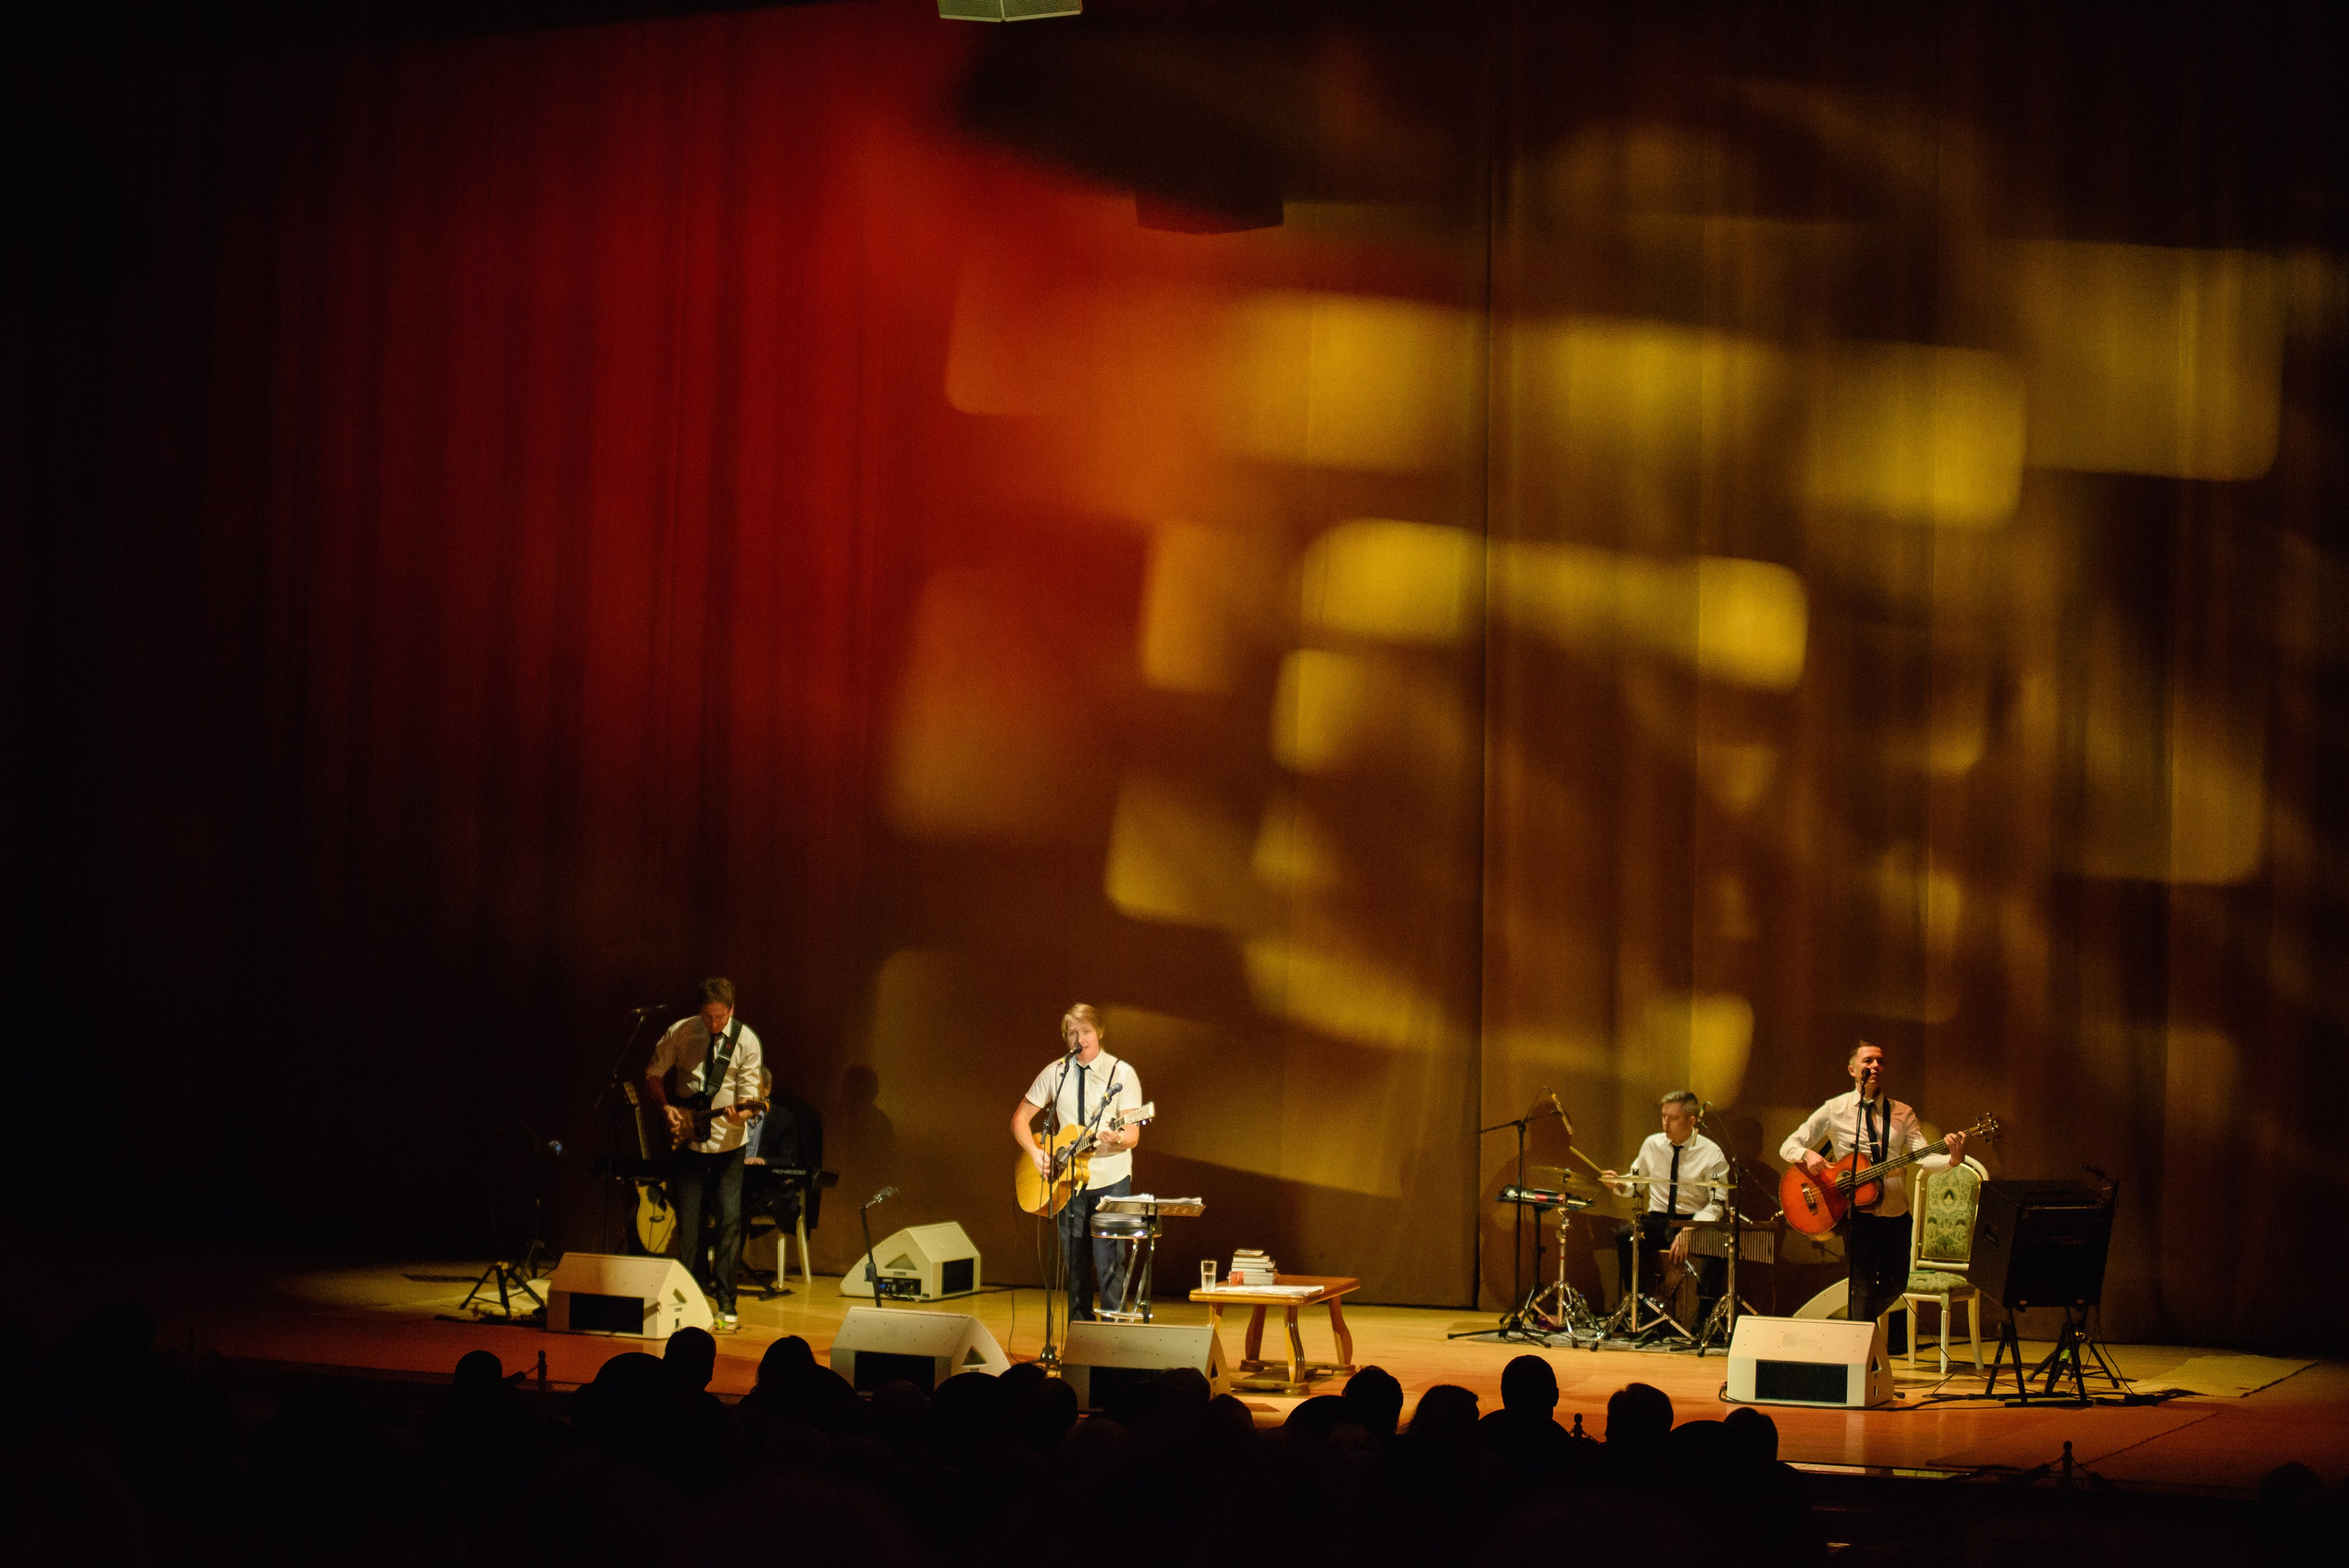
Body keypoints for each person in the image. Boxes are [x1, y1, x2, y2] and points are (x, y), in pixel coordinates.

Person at [1778, 1040, 1965, 1331]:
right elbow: (1788, 1145)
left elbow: (1925, 1158)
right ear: (1853, 1070)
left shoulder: (1903, 1113)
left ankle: (1854, 1333)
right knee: (1862, 1286)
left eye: (1880, 1061)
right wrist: (1807, 1154)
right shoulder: (1835, 1109)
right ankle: (1862, 1357)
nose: (1875, 1066)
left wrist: (1952, 1158)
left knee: (1896, 1284)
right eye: (1868, 1061)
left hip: (1895, 1212)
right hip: (1857, 1214)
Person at [1009, 1003, 1144, 1321]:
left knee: (1110, 1265)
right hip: (1068, 1183)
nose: (1079, 1038)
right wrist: (1035, 1151)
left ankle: (1114, 1342)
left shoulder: (1121, 1073)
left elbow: (1132, 1133)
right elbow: (1019, 1120)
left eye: (1085, 1031)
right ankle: (1079, 1341)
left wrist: (1117, 1137)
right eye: (1072, 1033)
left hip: (1111, 1181)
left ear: (1098, 1032)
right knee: (1076, 1268)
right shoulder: (1056, 1072)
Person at [644, 977, 764, 1330]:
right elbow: (653, 1073)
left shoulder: (747, 1041)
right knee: (690, 1225)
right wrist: (666, 1108)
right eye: (708, 1016)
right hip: (689, 1139)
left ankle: (727, 1301)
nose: (714, 1024)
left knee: (729, 1221)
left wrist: (740, 1113)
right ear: (700, 1011)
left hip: (729, 1143)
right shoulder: (681, 1032)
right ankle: (692, 1296)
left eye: (720, 1017)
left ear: (731, 1009)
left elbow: (750, 1100)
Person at [1602, 1089, 1730, 1329]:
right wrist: (1619, 1183)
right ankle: (1638, 1305)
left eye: (1672, 1118)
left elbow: (1717, 1203)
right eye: (1663, 1116)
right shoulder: (1652, 1144)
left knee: (1719, 1245)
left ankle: (1703, 1318)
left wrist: (1690, 1228)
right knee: (1625, 1236)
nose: (1665, 1123)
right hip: (1659, 1220)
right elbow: (1637, 1185)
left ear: (1691, 1121)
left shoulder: (1712, 1153)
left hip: (1693, 1221)